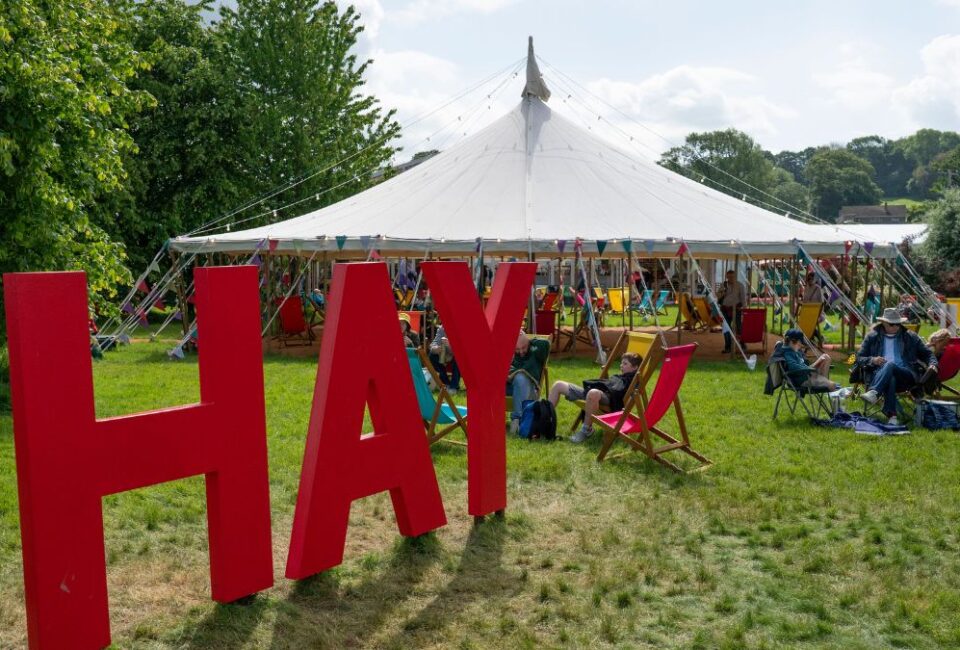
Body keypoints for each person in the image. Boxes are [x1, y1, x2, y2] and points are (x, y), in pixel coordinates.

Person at [857, 308, 937, 425]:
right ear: (883, 323)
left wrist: (933, 364)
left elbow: (928, 353)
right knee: (891, 377)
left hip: (906, 375)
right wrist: (873, 360)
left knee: (890, 364)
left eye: (898, 324)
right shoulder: (872, 337)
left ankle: (874, 392)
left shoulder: (910, 336)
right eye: (892, 324)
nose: (896, 327)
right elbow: (857, 359)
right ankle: (892, 417)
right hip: (879, 375)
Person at [548, 352, 643, 443]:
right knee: (558, 385)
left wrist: (624, 413)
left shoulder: (634, 381)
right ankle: (545, 421)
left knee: (593, 393)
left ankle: (586, 430)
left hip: (610, 401)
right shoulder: (620, 377)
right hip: (595, 395)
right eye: (621, 363)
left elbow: (628, 400)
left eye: (625, 364)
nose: (621, 365)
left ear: (635, 367)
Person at [506, 331, 551, 434]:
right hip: (510, 389)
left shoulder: (535, 350)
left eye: (524, 347)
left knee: (520, 378)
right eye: (517, 349)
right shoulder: (511, 353)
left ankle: (517, 419)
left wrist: (530, 341)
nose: (521, 352)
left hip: (529, 390)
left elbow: (546, 344)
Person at [717, 269, 746, 353]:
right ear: (726, 276)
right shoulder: (724, 285)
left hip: (736, 309)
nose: (730, 278)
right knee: (726, 328)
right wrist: (723, 293)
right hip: (725, 309)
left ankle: (742, 344)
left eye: (732, 276)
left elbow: (743, 298)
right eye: (728, 276)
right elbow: (718, 296)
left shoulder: (740, 285)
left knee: (739, 327)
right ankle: (728, 347)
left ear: (735, 276)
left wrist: (744, 308)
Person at [428, 324, 460, 393]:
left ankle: (454, 386)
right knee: (432, 355)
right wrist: (435, 348)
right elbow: (434, 343)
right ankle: (445, 383)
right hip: (446, 355)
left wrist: (450, 345)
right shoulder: (442, 328)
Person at [801, 271, 825, 347]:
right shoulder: (806, 288)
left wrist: (818, 313)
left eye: (811, 279)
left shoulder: (818, 289)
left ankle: (818, 338)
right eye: (808, 279)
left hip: (818, 313)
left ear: (814, 279)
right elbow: (804, 301)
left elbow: (821, 303)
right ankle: (812, 339)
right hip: (808, 312)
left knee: (812, 323)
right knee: (804, 323)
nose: (809, 281)